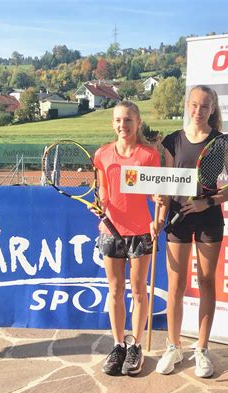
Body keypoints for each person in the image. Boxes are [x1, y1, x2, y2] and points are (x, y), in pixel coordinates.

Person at [155, 85, 228, 378]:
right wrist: (159, 198)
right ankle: (173, 346)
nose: (198, 111)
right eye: (194, 105)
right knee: (176, 287)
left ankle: (202, 349)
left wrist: (209, 201)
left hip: (208, 220)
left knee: (206, 282)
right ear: (187, 105)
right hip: (178, 220)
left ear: (212, 110)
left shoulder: (220, 142)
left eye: (204, 106)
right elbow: (164, 184)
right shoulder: (172, 141)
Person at [94, 101, 161, 376]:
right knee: (115, 291)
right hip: (111, 232)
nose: (124, 125)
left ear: (138, 122)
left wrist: (157, 214)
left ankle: (135, 346)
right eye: (119, 120)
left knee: (139, 291)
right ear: (113, 123)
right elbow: (104, 191)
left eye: (129, 120)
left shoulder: (148, 155)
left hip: (140, 233)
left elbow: (155, 193)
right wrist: (99, 205)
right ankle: (118, 344)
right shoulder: (103, 155)